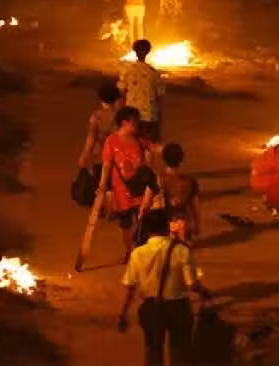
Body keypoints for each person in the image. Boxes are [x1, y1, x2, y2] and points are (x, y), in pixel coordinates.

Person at [118, 209, 212, 366]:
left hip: (151, 308)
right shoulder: (181, 250)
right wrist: (205, 292)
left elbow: (130, 288)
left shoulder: (137, 254)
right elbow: (191, 284)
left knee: (153, 352)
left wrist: (123, 314)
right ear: (166, 227)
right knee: (179, 351)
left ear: (146, 230)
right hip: (178, 307)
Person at [98, 107, 156, 262]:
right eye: (134, 121)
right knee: (125, 224)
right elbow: (106, 165)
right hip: (121, 191)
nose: (137, 124)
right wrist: (102, 186)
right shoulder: (111, 141)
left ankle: (141, 252)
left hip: (139, 189)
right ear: (124, 123)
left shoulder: (140, 138)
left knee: (143, 220)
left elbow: (153, 150)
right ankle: (129, 252)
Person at [139, 143, 200, 244]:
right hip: (183, 226)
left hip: (162, 227)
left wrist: (141, 217)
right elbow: (195, 208)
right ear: (181, 160)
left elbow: (145, 205)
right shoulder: (190, 182)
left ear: (164, 159)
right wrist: (197, 225)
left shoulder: (156, 180)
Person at [118, 39, 165, 144]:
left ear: (135, 51)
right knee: (148, 145)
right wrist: (160, 120)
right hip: (149, 116)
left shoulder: (127, 71)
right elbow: (160, 99)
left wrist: (121, 114)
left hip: (131, 116)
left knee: (131, 144)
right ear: (148, 51)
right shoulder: (154, 73)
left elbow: (122, 94)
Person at [78, 83, 122, 189]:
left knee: (100, 188)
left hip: (100, 158)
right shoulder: (122, 117)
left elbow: (91, 139)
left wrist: (85, 154)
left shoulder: (97, 117)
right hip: (118, 159)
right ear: (116, 99)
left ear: (101, 99)